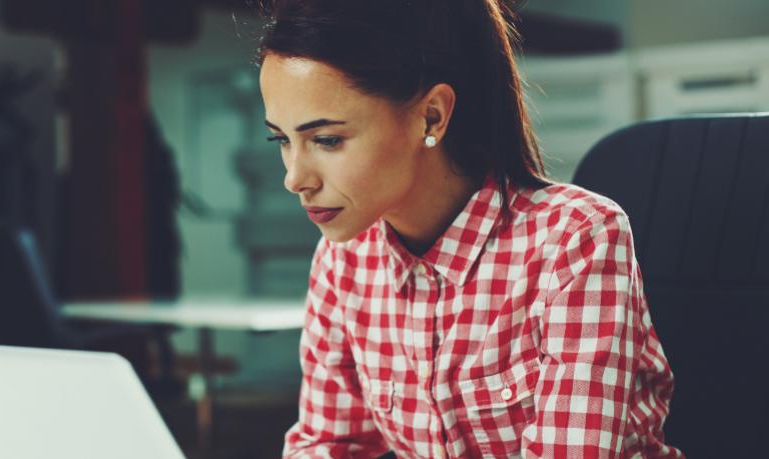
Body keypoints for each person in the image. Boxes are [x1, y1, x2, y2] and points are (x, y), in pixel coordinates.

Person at [255, 1, 683, 457]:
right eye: (282, 139)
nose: (295, 178)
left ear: (432, 116)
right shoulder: (344, 261)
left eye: (327, 140)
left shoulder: (576, 240)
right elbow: (325, 443)